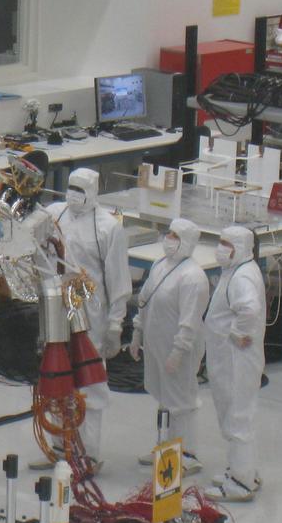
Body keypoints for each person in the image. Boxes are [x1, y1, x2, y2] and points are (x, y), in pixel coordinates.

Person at [43, 166, 131, 467]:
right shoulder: (56, 213)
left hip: (90, 313)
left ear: (93, 193)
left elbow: (118, 280)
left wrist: (115, 324)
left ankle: (88, 454)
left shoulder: (108, 228)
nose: (73, 195)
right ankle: (58, 448)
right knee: (55, 375)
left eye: (80, 190)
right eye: (71, 188)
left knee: (90, 383)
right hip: (55, 306)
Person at [129, 218, 208, 474]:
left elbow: (189, 321)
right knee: (165, 398)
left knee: (182, 401)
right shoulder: (160, 265)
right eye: (169, 234)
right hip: (156, 345)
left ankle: (187, 454)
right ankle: (165, 447)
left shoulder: (193, 277)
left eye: (175, 236)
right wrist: (137, 333)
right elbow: (145, 300)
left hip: (178, 351)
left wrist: (178, 351)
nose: (169, 239)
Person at [202, 225, 266, 502]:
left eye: (227, 243)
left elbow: (249, 310)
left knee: (237, 417)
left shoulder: (241, 278)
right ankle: (243, 471)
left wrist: (239, 333)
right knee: (236, 415)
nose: (221, 248)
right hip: (230, 357)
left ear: (240, 247)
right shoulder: (238, 270)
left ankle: (240, 484)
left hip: (235, 359)